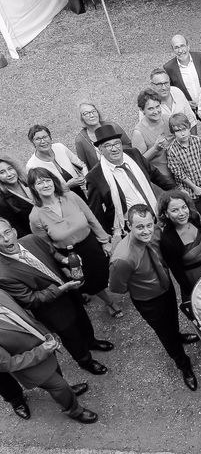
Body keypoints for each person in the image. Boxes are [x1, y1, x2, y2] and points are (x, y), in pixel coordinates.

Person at [0, 217, 111, 376]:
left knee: (83, 320)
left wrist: (65, 260)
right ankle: (86, 361)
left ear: (14, 231)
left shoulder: (31, 239)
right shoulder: (3, 274)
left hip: (70, 291)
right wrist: (61, 288)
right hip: (52, 310)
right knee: (71, 336)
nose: (5, 239)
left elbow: (51, 252)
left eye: (7, 232)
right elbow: (31, 300)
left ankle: (91, 341)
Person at [109, 204, 198, 391]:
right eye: (140, 227)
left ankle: (178, 336)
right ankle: (183, 365)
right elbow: (118, 288)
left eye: (149, 225)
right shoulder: (122, 258)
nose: (146, 231)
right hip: (149, 301)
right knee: (165, 334)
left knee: (173, 320)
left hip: (166, 289)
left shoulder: (156, 232)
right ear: (128, 226)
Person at [27, 167, 122, 318]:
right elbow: (47, 247)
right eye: (39, 183)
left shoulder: (70, 196)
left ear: (53, 181)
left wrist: (105, 241)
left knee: (108, 270)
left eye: (47, 180)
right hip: (70, 254)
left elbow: (91, 219)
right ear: (33, 187)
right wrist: (62, 264)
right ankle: (109, 302)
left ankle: (123, 288)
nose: (45, 185)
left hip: (90, 243)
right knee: (91, 282)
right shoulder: (35, 217)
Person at [0, 289, 98, 424]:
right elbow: (7, 364)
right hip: (30, 365)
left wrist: (46, 335)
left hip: (45, 346)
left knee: (59, 377)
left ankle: (68, 392)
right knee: (59, 386)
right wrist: (42, 351)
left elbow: (25, 317)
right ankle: (74, 411)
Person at [86, 124, 176, 237]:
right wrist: (106, 237)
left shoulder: (134, 154)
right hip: (132, 231)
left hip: (156, 217)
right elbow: (96, 211)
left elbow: (155, 175)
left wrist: (176, 190)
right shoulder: (95, 176)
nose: (114, 149)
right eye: (108, 145)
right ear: (100, 149)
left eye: (117, 143)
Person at [158, 190, 201, 303]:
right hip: (197, 282)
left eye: (184, 207)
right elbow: (177, 273)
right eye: (174, 210)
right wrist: (192, 294)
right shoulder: (167, 240)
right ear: (166, 214)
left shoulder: (194, 218)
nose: (182, 213)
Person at [166, 113, 201, 217]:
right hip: (192, 191)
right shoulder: (172, 150)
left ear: (189, 127)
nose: (182, 133)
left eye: (184, 129)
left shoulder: (197, 140)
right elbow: (179, 173)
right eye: (178, 131)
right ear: (173, 132)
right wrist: (194, 188)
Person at [26, 125, 88, 201]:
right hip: (61, 201)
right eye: (38, 139)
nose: (43, 141)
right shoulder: (32, 165)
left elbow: (81, 165)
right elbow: (41, 192)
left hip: (81, 195)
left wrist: (85, 179)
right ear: (33, 142)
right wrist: (67, 186)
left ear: (50, 137)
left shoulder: (60, 147)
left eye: (45, 137)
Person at [131, 88, 174, 178]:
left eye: (157, 106)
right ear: (142, 110)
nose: (156, 111)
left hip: (179, 171)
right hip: (162, 177)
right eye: (150, 109)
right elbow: (139, 162)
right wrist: (155, 148)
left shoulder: (168, 119)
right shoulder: (139, 133)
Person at [74, 101, 132, 170]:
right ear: (81, 118)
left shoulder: (113, 126)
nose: (92, 115)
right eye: (86, 113)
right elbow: (84, 165)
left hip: (124, 167)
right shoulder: (80, 140)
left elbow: (129, 146)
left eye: (93, 111)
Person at [163, 34, 201, 110]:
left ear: (188, 46)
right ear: (173, 50)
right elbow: (172, 91)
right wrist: (185, 102)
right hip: (188, 109)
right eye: (176, 47)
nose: (180, 51)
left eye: (182, 46)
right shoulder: (169, 68)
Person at [147, 68, 198, 133]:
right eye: (159, 84)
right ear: (152, 85)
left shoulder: (177, 92)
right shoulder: (147, 103)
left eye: (166, 83)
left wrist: (194, 139)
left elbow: (191, 120)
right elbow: (147, 131)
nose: (164, 88)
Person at [0, 156, 34, 238]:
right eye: (2, 172)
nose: (9, 174)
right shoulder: (2, 201)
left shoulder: (30, 181)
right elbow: (16, 229)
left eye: (10, 168)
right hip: (36, 236)